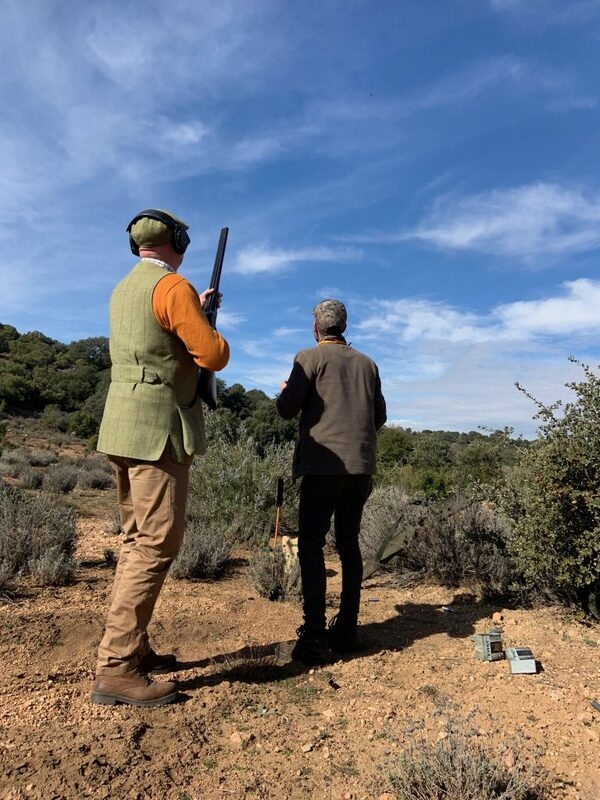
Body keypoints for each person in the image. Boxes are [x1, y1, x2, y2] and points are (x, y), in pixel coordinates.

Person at [91, 209, 230, 707]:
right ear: (177, 241)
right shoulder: (173, 288)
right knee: (154, 546)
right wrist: (209, 323)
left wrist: (197, 305)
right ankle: (117, 668)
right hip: (158, 432)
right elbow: (211, 355)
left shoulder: (125, 288)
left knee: (133, 540)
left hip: (122, 425)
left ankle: (133, 648)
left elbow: (154, 337)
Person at [276, 299, 386, 665]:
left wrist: (286, 390)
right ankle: (348, 630)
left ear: (316, 329)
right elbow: (380, 417)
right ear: (344, 327)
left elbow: (286, 408)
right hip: (361, 469)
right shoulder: (368, 364)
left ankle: (313, 636)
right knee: (349, 544)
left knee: (310, 545)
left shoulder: (308, 358)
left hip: (323, 467)